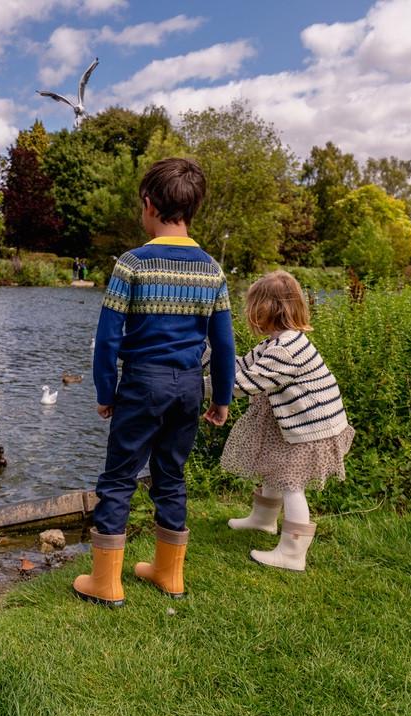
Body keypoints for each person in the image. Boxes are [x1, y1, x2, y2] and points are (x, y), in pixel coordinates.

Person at [73, 157, 236, 606]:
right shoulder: (212, 270)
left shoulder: (131, 265)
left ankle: (106, 582)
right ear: (192, 209)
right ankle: (169, 573)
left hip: (142, 384)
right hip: (188, 386)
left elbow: (107, 339)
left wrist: (107, 391)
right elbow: (224, 345)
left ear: (149, 205)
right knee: (171, 475)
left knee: (120, 477)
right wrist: (221, 397)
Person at [220, 270, 355, 571]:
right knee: (276, 468)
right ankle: (263, 520)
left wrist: (191, 386)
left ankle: (292, 552)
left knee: (292, 485)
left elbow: (243, 384)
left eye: (253, 308)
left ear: (265, 310)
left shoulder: (286, 349)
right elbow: (241, 365)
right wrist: (207, 355)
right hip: (303, 424)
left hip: (313, 430)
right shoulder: (277, 342)